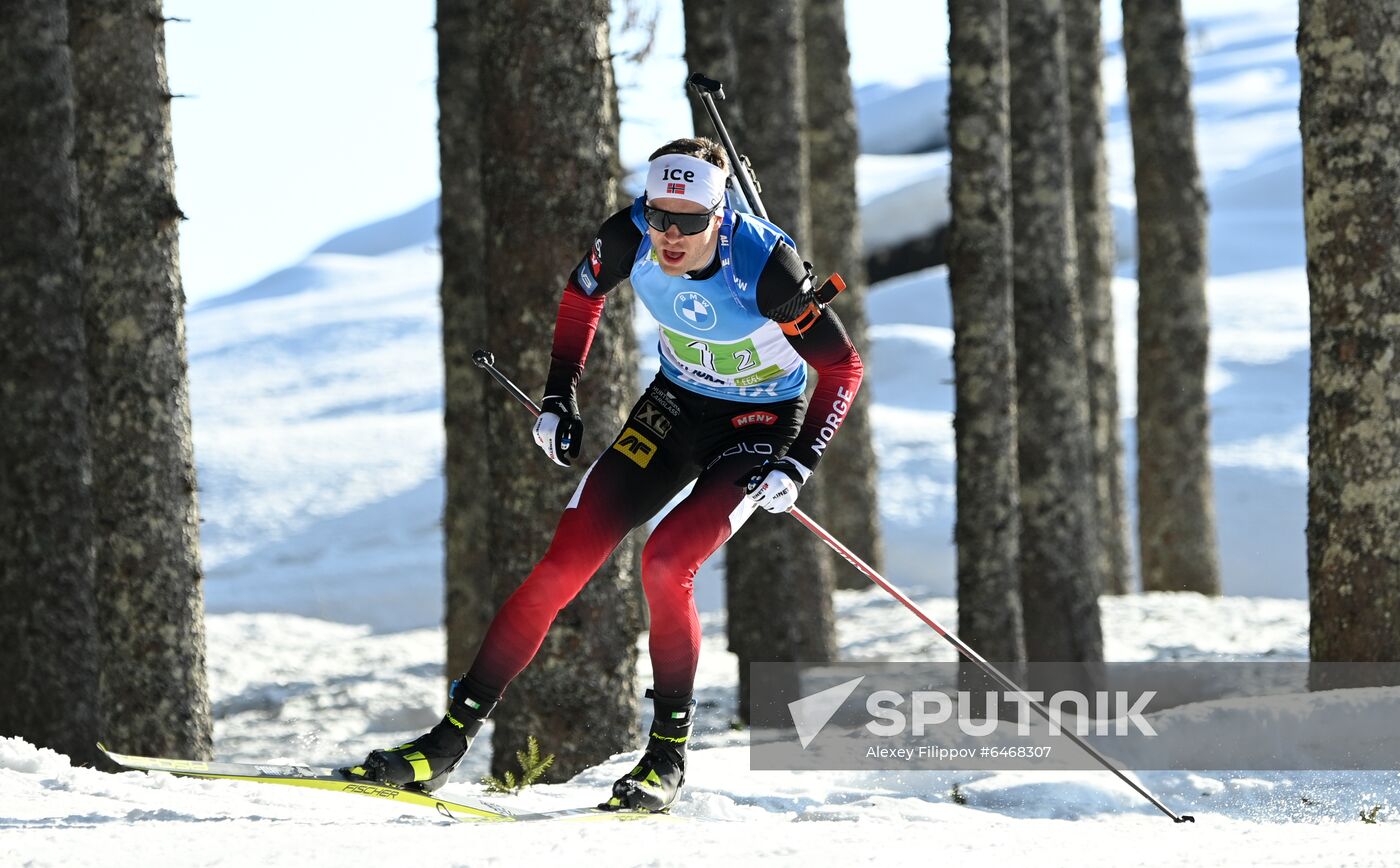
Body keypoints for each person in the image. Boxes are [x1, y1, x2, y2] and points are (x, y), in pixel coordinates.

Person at [344, 136, 864, 812]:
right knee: (562, 567)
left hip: (759, 427)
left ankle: (666, 756)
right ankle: (444, 745)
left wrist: (798, 463)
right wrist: (560, 394)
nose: (670, 237)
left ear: (721, 214)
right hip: (676, 406)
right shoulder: (630, 235)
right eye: (659, 217)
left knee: (665, 562)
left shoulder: (766, 267)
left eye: (689, 222)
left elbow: (842, 367)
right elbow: (580, 296)